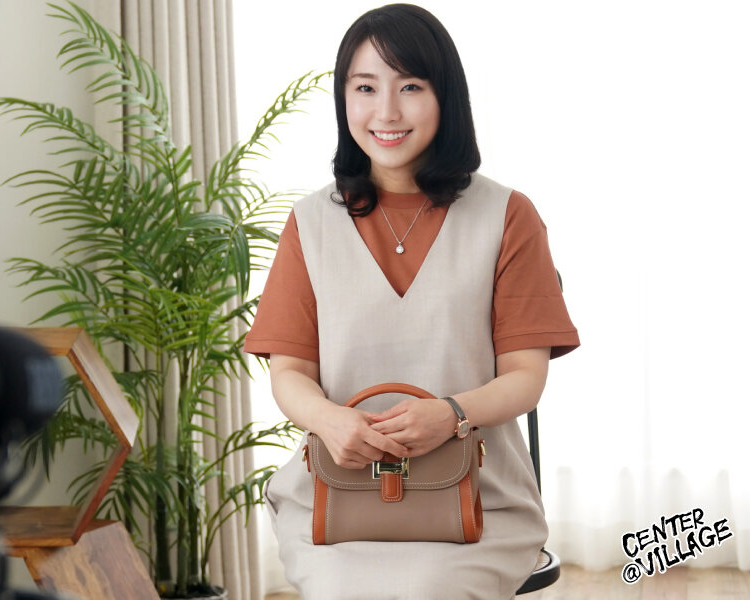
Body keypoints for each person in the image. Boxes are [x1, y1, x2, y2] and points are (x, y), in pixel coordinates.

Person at [243, 4, 579, 599]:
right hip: (337, 501)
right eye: (365, 88)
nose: (387, 112)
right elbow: (289, 373)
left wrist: (450, 415)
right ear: (344, 99)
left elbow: (526, 378)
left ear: (445, 96)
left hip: (480, 504)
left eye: (411, 87)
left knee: (429, 589)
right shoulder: (310, 223)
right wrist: (329, 420)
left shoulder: (508, 216)